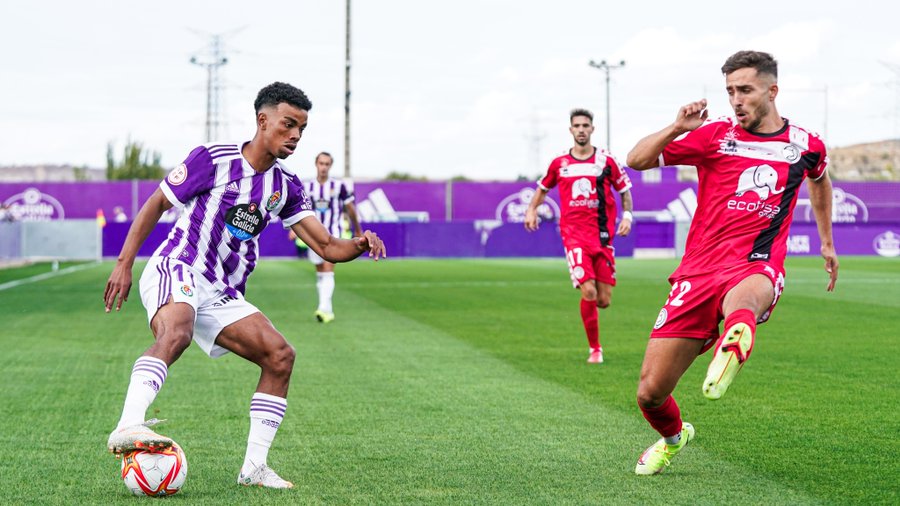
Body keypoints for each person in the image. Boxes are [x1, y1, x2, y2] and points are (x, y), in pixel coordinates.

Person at [102, 82, 386, 489]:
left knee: (279, 356)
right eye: (288, 125)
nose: (295, 136)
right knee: (177, 331)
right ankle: (129, 425)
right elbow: (156, 203)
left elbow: (325, 244)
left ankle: (254, 468)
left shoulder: (286, 186)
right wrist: (124, 264)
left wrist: (358, 244)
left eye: (301, 130)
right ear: (262, 120)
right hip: (178, 265)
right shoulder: (212, 159)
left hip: (220, 289)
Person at [625, 50, 838, 475]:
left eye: (745, 90)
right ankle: (673, 437)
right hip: (697, 273)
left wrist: (827, 242)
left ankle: (737, 336)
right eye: (730, 92)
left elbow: (820, 181)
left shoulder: (805, 145)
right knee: (650, 393)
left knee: (746, 298)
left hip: (755, 265)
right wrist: (676, 128)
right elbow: (636, 160)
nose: (736, 100)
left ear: (772, 90)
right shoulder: (714, 136)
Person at [525, 108, 634, 364]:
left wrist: (627, 216)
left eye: (586, 125)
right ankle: (595, 349)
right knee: (588, 291)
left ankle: (593, 309)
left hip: (603, 236)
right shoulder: (559, 163)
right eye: (577, 125)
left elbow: (624, 190)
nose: (582, 129)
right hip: (573, 237)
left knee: (604, 300)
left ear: (592, 129)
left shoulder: (606, 161)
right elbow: (542, 189)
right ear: (571, 130)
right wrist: (532, 209)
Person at [287, 151, 362, 323]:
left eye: (327, 164)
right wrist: (294, 228)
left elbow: (350, 208)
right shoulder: (308, 187)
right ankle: (328, 310)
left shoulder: (339, 186)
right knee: (320, 271)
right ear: (316, 164)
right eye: (321, 163)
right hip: (314, 234)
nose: (324, 167)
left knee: (328, 269)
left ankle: (323, 309)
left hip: (333, 233)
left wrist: (357, 229)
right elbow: (298, 210)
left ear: (330, 166)